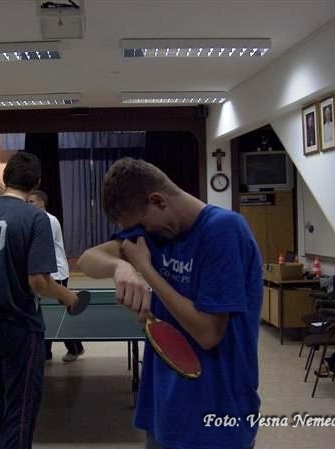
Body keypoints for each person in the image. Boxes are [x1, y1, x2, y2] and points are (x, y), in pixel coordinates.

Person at [77, 157, 262, 449]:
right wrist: (120, 267)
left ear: (158, 201)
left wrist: (145, 268)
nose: (141, 232)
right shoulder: (154, 232)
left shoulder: (224, 230)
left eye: (141, 224)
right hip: (164, 410)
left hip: (218, 412)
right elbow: (88, 259)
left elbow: (208, 334)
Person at [0, 152, 80, 449]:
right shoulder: (36, 218)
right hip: (20, 324)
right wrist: (68, 296)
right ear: (36, 182)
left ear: (5, 176)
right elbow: (38, 281)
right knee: (21, 404)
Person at [27, 189, 85, 362]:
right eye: (27, 202)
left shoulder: (48, 220)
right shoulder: (36, 219)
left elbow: (40, 247)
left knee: (57, 315)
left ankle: (75, 348)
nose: (28, 205)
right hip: (48, 271)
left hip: (56, 272)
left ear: (42, 203)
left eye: (31, 202)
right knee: (48, 314)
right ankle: (47, 353)